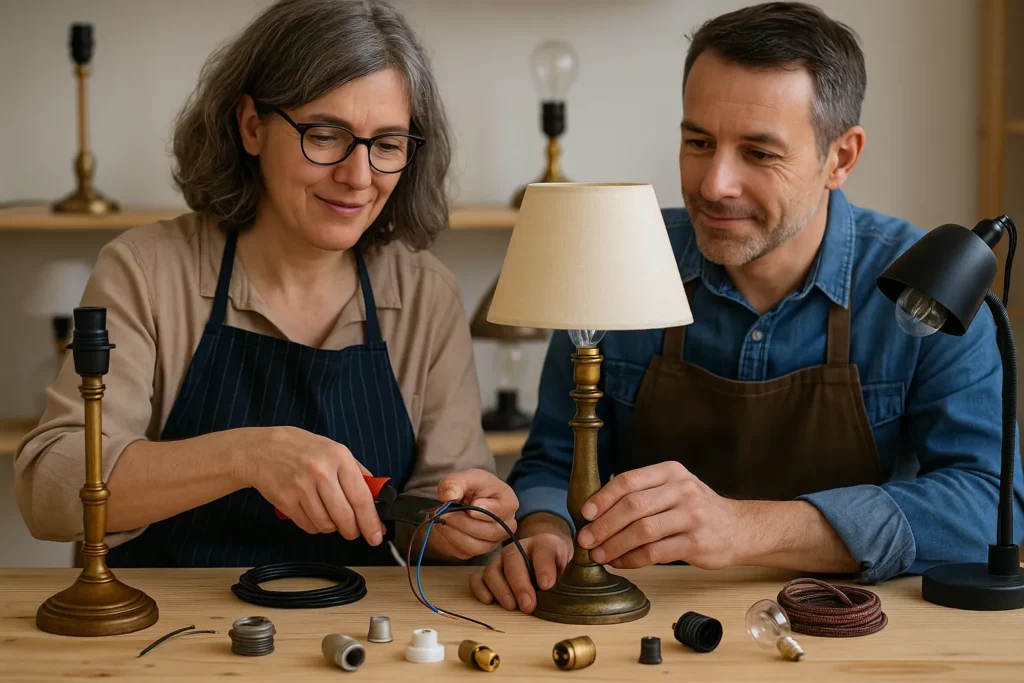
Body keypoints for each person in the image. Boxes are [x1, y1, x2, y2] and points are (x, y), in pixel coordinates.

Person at [471, 1, 1024, 613]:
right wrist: (543, 529)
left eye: (759, 154)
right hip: (642, 628)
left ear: (840, 157)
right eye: (699, 141)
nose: (714, 184)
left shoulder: (922, 290)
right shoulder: (614, 258)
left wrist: (744, 528)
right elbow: (551, 459)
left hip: (848, 629)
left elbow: (989, 505)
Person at [15, 0, 517, 567]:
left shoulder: (427, 294)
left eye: (387, 144)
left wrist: (455, 527)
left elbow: (430, 515)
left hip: (354, 639)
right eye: (326, 134)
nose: (358, 177)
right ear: (252, 126)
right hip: (163, 635)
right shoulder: (146, 270)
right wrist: (247, 456)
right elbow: (50, 494)